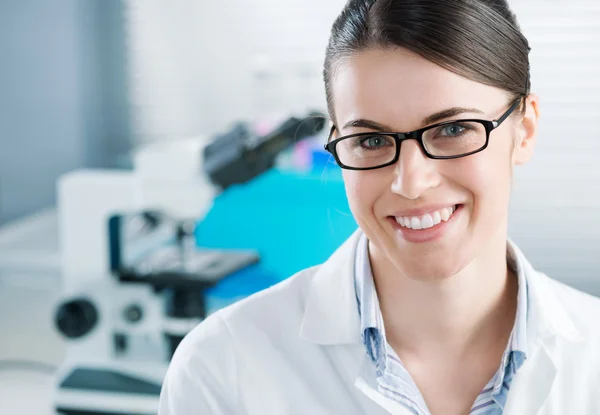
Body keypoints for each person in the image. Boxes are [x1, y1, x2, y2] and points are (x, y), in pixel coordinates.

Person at [158, 1, 600, 414]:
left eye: (452, 129)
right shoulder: (222, 369)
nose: (410, 182)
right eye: (371, 140)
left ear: (523, 129)